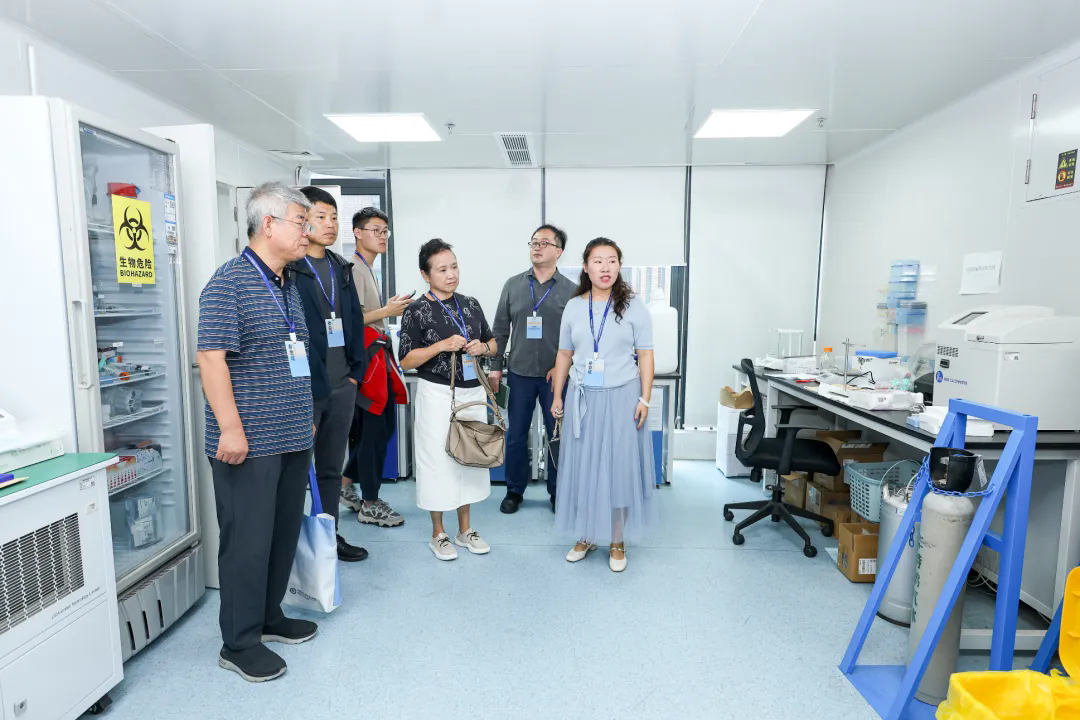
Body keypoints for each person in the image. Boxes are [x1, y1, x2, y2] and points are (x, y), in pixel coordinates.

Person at [197, 182, 317, 682]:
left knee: (281, 534)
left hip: (291, 436)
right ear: (268, 224)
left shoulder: (287, 283)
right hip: (248, 443)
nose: (309, 233)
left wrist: (305, 415)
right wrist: (230, 428)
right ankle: (239, 642)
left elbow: (289, 355)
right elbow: (211, 358)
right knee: (247, 541)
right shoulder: (228, 283)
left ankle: (269, 616)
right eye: (301, 223)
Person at [550, 238, 656, 573]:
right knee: (583, 468)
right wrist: (557, 395)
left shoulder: (634, 306)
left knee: (618, 470)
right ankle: (585, 535)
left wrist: (645, 398)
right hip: (583, 398)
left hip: (623, 396)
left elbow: (646, 354)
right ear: (585, 267)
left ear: (619, 266)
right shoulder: (574, 307)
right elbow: (564, 354)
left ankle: (616, 540)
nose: (605, 267)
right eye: (597, 261)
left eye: (612, 260)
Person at [398, 239, 497, 561]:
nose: (451, 274)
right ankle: (438, 533)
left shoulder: (470, 304)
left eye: (454, 266)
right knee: (438, 462)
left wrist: (483, 348)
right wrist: (440, 346)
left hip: (472, 391)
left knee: (469, 457)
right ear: (425, 275)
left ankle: (465, 530)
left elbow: (493, 343)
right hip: (437, 393)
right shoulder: (415, 310)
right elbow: (406, 360)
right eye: (442, 269)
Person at [288, 186, 368, 562]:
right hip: (306, 388)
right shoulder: (290, 269)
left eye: (334, 217)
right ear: (302, 221)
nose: (330, 224)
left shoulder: (340, 267)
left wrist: (355, 373)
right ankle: (292, 546)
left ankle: (328, 538)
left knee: (331, 470)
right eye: (321, 216)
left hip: (342, 385)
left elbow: (353, 320)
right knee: (294, 472)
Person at [489, 224, 576, 514]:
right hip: (519, 373)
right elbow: (500, 330)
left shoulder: (572, 291)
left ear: (559, 251)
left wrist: (564, 367)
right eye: (534, 242)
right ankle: (514, 491)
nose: (537, 247)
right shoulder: (513, 285)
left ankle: (558, 492)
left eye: (544, 243)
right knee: (516, 435)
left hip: (555, 378)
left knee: (556, 435)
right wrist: (495, 368)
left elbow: (579, 337)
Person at [341, 207, 409, 527]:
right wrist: (387, 310)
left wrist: (387, 310)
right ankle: (370, 502)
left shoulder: (369, 268)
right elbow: (350, 321)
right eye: (376, 230)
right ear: (357, 233)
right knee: (372, 433)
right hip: (366, 364)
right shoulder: (354, 269)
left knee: (381, 429)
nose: (382, 237)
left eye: (385, 231)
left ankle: (346, 484)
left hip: (376, 358)